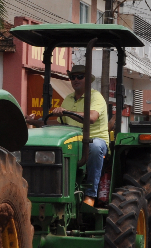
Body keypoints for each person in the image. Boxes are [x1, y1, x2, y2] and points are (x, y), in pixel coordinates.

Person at [25, 64, 108, 206]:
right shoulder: (68, 99)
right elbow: (60, 123)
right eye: (72, 77)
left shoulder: (95, 97)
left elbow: (92, 117)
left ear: (88, 79)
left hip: (94, 139)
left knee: (94, 147)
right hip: (73, 140)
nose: (76, 79)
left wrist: (67, 112)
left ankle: (91, 194)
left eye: (80, 77)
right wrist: (34, 121)